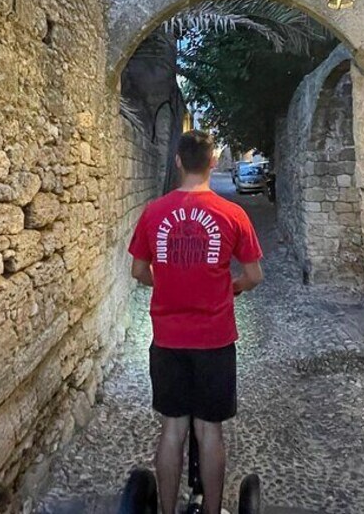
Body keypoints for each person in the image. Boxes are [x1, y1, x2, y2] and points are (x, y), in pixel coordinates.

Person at [128, 130, 264, 514]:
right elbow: (255, 276)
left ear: (177, 162)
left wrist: (166, 281)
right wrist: (231, 287)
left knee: (172, 428)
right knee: (209, 429)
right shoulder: (232, 214)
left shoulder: (154, 212)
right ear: (213, 163)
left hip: (168, 339)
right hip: (214, 340)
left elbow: (139, 270)